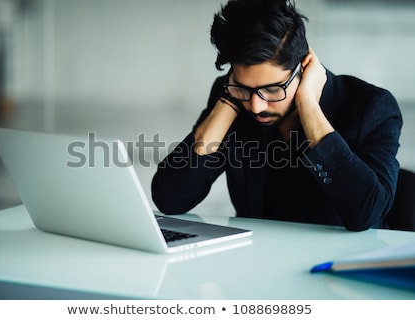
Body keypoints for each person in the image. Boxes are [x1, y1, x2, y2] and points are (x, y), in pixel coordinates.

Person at [151, 0, 402, 231]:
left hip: (342, 266)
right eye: (243, 87)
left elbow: (367, 215)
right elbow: (170, 199)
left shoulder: (371, 106)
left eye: (272, 89)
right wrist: (227, 101)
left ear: (304, 68)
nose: (257, 106)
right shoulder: (231, 98)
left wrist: (309, 106)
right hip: (259, 261)